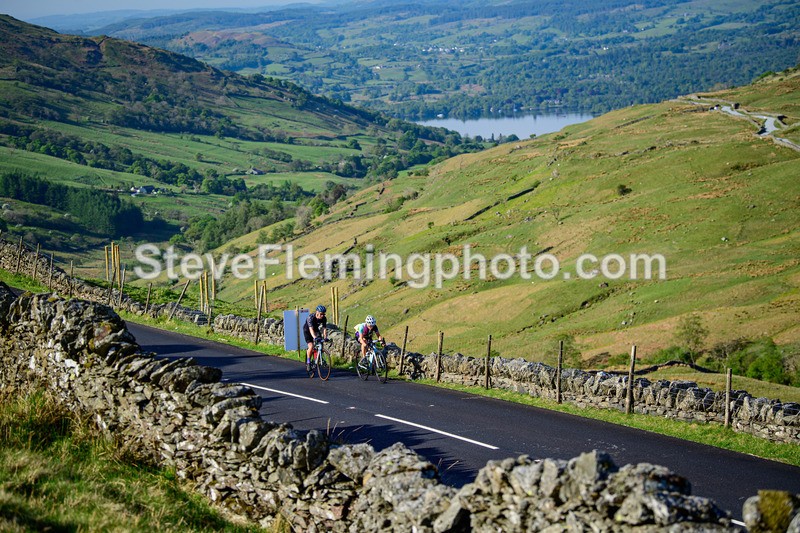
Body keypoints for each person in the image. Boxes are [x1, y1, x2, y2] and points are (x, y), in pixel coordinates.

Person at [304, 305, 328, 371]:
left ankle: (318, 357)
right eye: (321, 314)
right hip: (308, 330)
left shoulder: (324, 318)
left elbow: (324, 329)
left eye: (323, 314)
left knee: (321, 342)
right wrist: (314, 337)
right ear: (317, 312)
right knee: (311, 346)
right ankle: (308, 362)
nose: (322, 315)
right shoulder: (310, 317)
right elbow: (311, 329)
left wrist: (325, 337)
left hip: (315, 330)